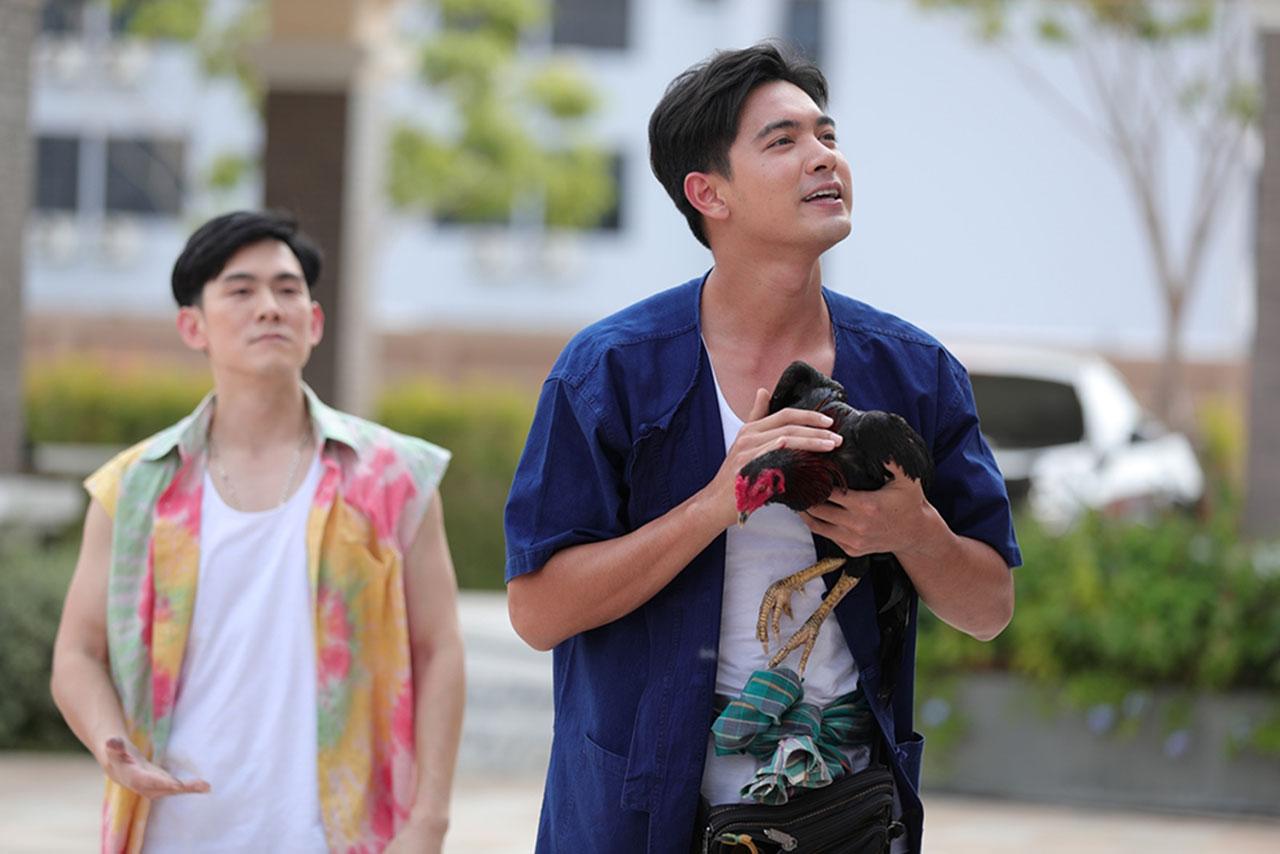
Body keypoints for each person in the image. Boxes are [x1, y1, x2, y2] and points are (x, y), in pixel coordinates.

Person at [504, 44, 1020, 853]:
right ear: (708, 193)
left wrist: (914, 531)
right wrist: (716, 504)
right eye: (784, 141)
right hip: (637, 823)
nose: (824, 157)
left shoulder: (915, 372)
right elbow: (538, 612)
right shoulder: (610, 372)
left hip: (846, 819)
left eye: (827, 135)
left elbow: (989, 608)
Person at [50, 211, 465, 853]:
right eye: (241, 290)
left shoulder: (396, 477)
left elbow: (438, 649)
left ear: (314, 322)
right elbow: (77, 653)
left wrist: (429, 820)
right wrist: (113, 745)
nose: (269, 306)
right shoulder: (133, 489)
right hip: (172, 832)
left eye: (287, 289)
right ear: (193, 327)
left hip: (346, 834)